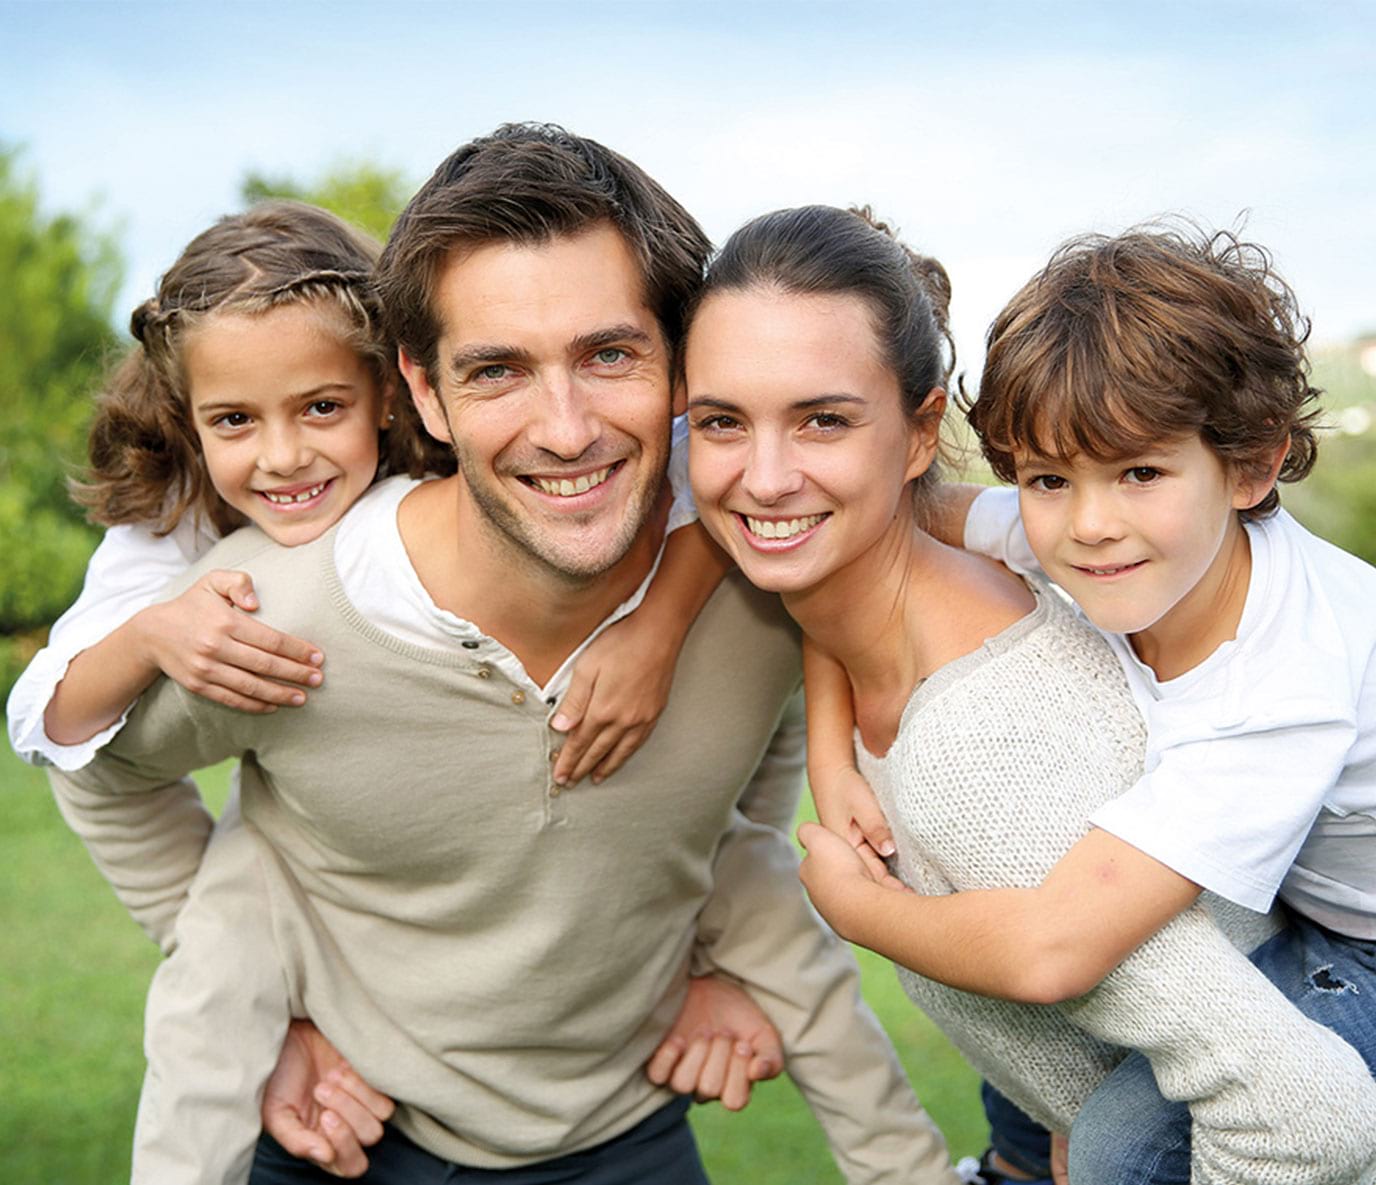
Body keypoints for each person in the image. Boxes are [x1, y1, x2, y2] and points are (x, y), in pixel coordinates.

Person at [45, 125, 961, 1185]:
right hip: (345, 1135)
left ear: (681, 366)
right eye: (496, 371)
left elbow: (758, 753)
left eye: (609, 354)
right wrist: (262, 997)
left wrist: (723, 956)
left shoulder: (763, 572)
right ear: (423, 395)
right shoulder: (272, 611)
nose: (565, 430)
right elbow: (98, 769)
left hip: (626, 1133)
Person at [6, 197, 742, 1181]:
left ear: (394, 394)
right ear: (188, 419)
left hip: (584, 1075)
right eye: (233, 419)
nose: (282, 456)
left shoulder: (473, 464)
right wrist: (153, 632)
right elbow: (51, 717)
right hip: (284, 907)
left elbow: (697, 470)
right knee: (210, 1017)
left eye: (321, 407)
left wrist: (656, 630)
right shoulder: (175, 517)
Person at [681, 204, 1376, 1184]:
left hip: (1359, 939)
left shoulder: (1277, 687)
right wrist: (831, 747)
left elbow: (1053, 949)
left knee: (1118, 1146)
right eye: (1047, 479)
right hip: (1304, 896)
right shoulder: (1065, 527)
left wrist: (860, 911)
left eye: (1138, 472)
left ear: (1252, 465)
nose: (1088, 525)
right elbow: (845, 553)